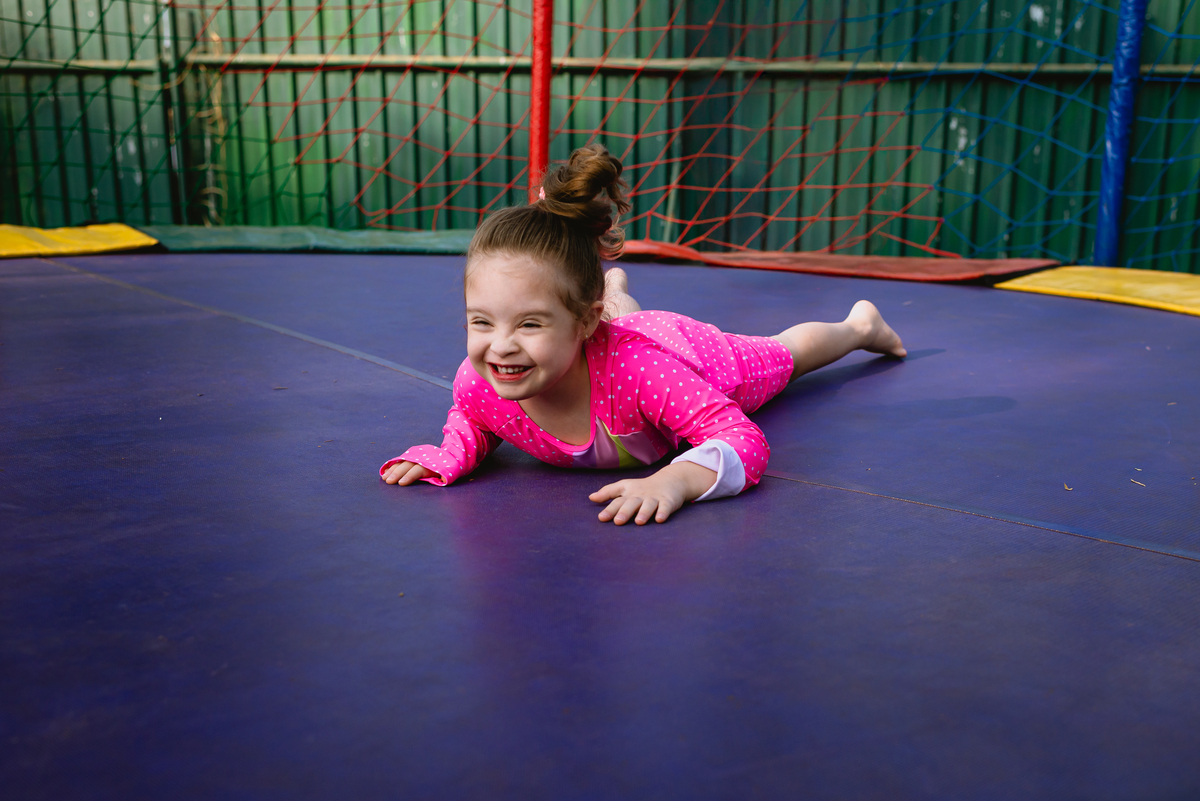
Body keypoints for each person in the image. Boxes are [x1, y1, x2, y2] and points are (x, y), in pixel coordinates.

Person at [381, 144, 906, 525]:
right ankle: (615, 292)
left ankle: (859, 324)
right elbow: (473, 418)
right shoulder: (479, 381)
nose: (500, 345)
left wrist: (677, 479)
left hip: (686, 353)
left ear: (584, 323)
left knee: (787, 354)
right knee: (619, 321)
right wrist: (451, 454)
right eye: (481, 321)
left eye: (529, 323)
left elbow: (742, 439)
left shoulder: (642, 373)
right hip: (609, 336)